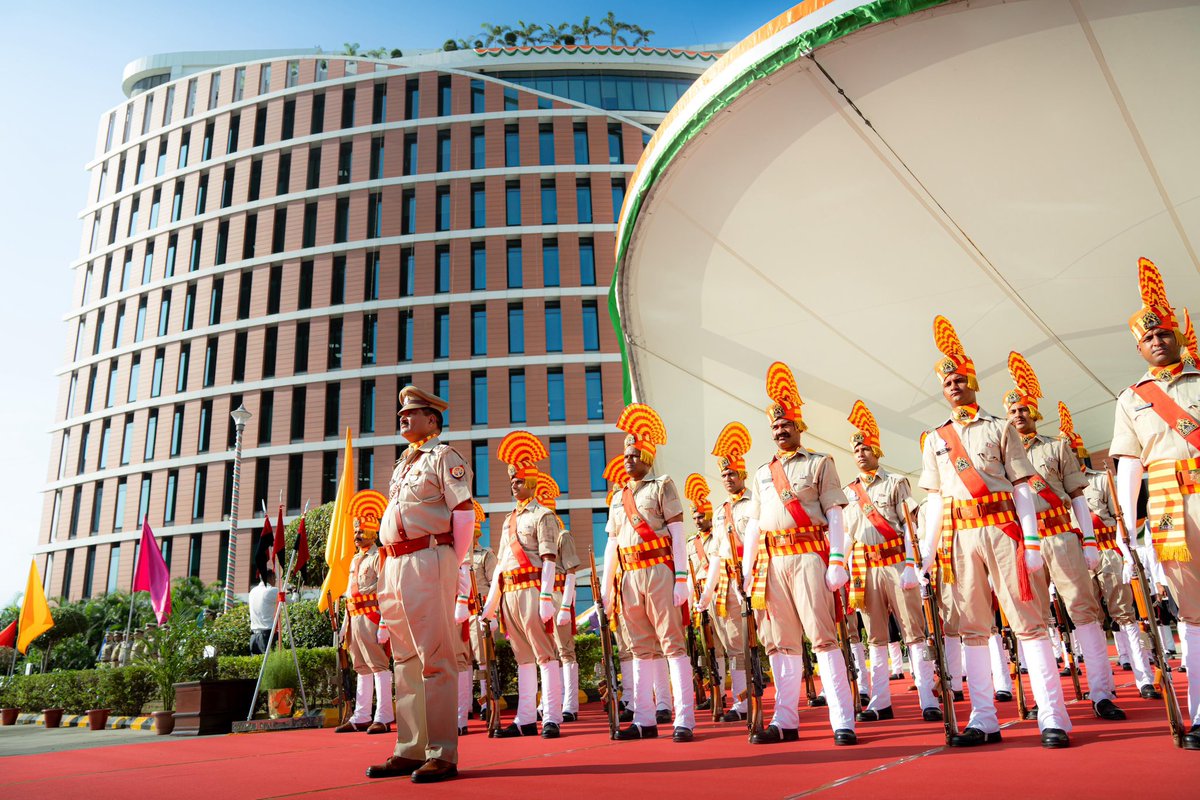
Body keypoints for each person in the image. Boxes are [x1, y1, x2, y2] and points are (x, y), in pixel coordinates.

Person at [920, 316, 1071, 748]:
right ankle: (983, 719)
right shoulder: (935, 438)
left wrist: (1032, 540)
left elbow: (1022, 487)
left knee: (1029, 622)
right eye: (947, 382)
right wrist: (926, 553)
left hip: (1003, 529)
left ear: (972, 383)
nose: (954, 386)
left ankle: (1053, 717)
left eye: (959, 379)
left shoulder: (1000, 427)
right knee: (972, 627)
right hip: (960, 537)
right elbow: (935, 500)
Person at [1001, 351, 1126, 721]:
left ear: (1034, 412)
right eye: (1012, 411)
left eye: (1023, 409)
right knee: (1033, 617)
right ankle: (1048, 701)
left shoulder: (1057, 447)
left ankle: (1102, 692)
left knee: (1083, 610)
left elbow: (1078, 497)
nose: (1018, 415)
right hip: (1023, 542)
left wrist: (1088, 539)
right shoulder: (1001, 455)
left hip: (1060, 535)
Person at [1109, 258, 1200, 750]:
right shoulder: (1131, 398)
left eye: (1164, 332)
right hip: (1167, 509)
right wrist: (1126, 528)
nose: (1157, 340)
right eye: (1148, 337)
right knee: (1192, 612)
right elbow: (1129, 466)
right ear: (1139, 347)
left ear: (1178, 335)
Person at [743, 362, 856, 746]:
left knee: (823, 638)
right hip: (772, 562)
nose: (780, 430)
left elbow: (836, 513)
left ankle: (842, 720)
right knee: (780, 643)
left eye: (786, 424)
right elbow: (754, 524)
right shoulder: (762, 473)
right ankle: (785, 720)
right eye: (775, 426)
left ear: (799, 426)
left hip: (809, 555)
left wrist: (837, 559)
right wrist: (747, 570)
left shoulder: (820, 463)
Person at [367, 385, 475, 783]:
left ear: (432, 420)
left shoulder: (443, 456)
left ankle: (442, 753)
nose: (403, 417)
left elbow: (464, 513)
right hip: (394, 563)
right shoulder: (403, 464)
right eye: (401, 414)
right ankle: (410, 748)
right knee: (405, 660)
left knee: (436, 657)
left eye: (411, 413)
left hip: (428, 558)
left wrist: (451, 563)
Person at [602, 403, 696, 742]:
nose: (628, 460)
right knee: (640, 648)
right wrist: (606, 588)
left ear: (647, 457)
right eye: (625, 455)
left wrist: (682, 577)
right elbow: (612, 543)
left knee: (672, 644)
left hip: (658, 569)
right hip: (629, 576)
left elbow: (678, 533)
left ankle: (684, 718)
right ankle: (644, 719)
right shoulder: (618, 497)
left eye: (634, 455)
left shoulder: (661, 486)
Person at [842, 400, 940, 723]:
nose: (860, 454)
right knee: (875, 636)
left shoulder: (896, 482)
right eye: (856, 450)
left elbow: (910, 527)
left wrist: (912, 565)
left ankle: (928, 697)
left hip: (896, 562)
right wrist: (839, 565)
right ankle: (880, 701)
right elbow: (847, 534)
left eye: (865, 448)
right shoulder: (849, 492)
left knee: (914, 631)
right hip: (865, 568)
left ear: (877, 451)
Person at [1061, 402, 1158, 699]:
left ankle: (1144, 678)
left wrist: (1122, 549)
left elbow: (1118, 517)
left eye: (1072, 452)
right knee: (1087, 617)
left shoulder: (1100, 479)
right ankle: (1102, 686)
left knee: (1124, 612)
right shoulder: (1056, 488)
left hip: (1105, 548)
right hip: (1076, 553)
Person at [481, 431, 564, 739]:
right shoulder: (508, 520)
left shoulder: (544, 515)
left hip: (532, 590)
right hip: (510, 594)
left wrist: (546, 597)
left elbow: (549, 557)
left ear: (531, 483)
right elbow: (502, 566)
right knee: (523, 658)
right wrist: (490, 607)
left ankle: (552, 716)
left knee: (545, 655)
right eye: (512, 481)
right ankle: (525, 719)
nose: (513, 485)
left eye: (518, 481)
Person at [697, 422, 754, 723]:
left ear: (743, 474)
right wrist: (707, 592)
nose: (728, 479)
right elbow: (717, 554)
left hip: (756, 578)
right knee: (735, 646)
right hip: (730, 582)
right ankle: (743, 703)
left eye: (732, 473)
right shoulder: (720, 512)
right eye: (724, 475)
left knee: (772, 641)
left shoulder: (755, 502)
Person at [335, 517, 394, 734]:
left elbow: (386, 590)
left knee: (378, 665)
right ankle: (362, 716)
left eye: (360, 532)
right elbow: (350, 594)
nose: (356, 536)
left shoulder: (379, 556)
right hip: (354, 617)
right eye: (355, 532)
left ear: (372, 533)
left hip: (372, 616)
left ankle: (384, 716)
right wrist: (344, 625)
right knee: (361, 667)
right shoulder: (355, 559)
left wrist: (384, 623)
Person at [537, 477, 583, 723]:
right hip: (540, 597)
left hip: (558, 594)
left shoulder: (562, 536)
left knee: (565, 650)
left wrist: (566, 605)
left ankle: (570, 703)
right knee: (546, 652)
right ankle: (549, 701)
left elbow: (572, 571)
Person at [452, 501, 499, 733]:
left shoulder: (485, 555)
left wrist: (493, 613)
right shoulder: (453, 557)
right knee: (460, 662)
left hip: (479, 613)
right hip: (459, 614)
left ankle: (487, 705)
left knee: (483, 660)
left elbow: (496, 585)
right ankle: (461, 713)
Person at [248, 569, 279, 656]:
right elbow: (292, 602)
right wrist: (295, 593)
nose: (275, 581)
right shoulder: (272, 590)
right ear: (271, 578)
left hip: (254, 636)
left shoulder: (252, 591)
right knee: (271, 662)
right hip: (268, 635)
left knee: (256, 663)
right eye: (275, 578)